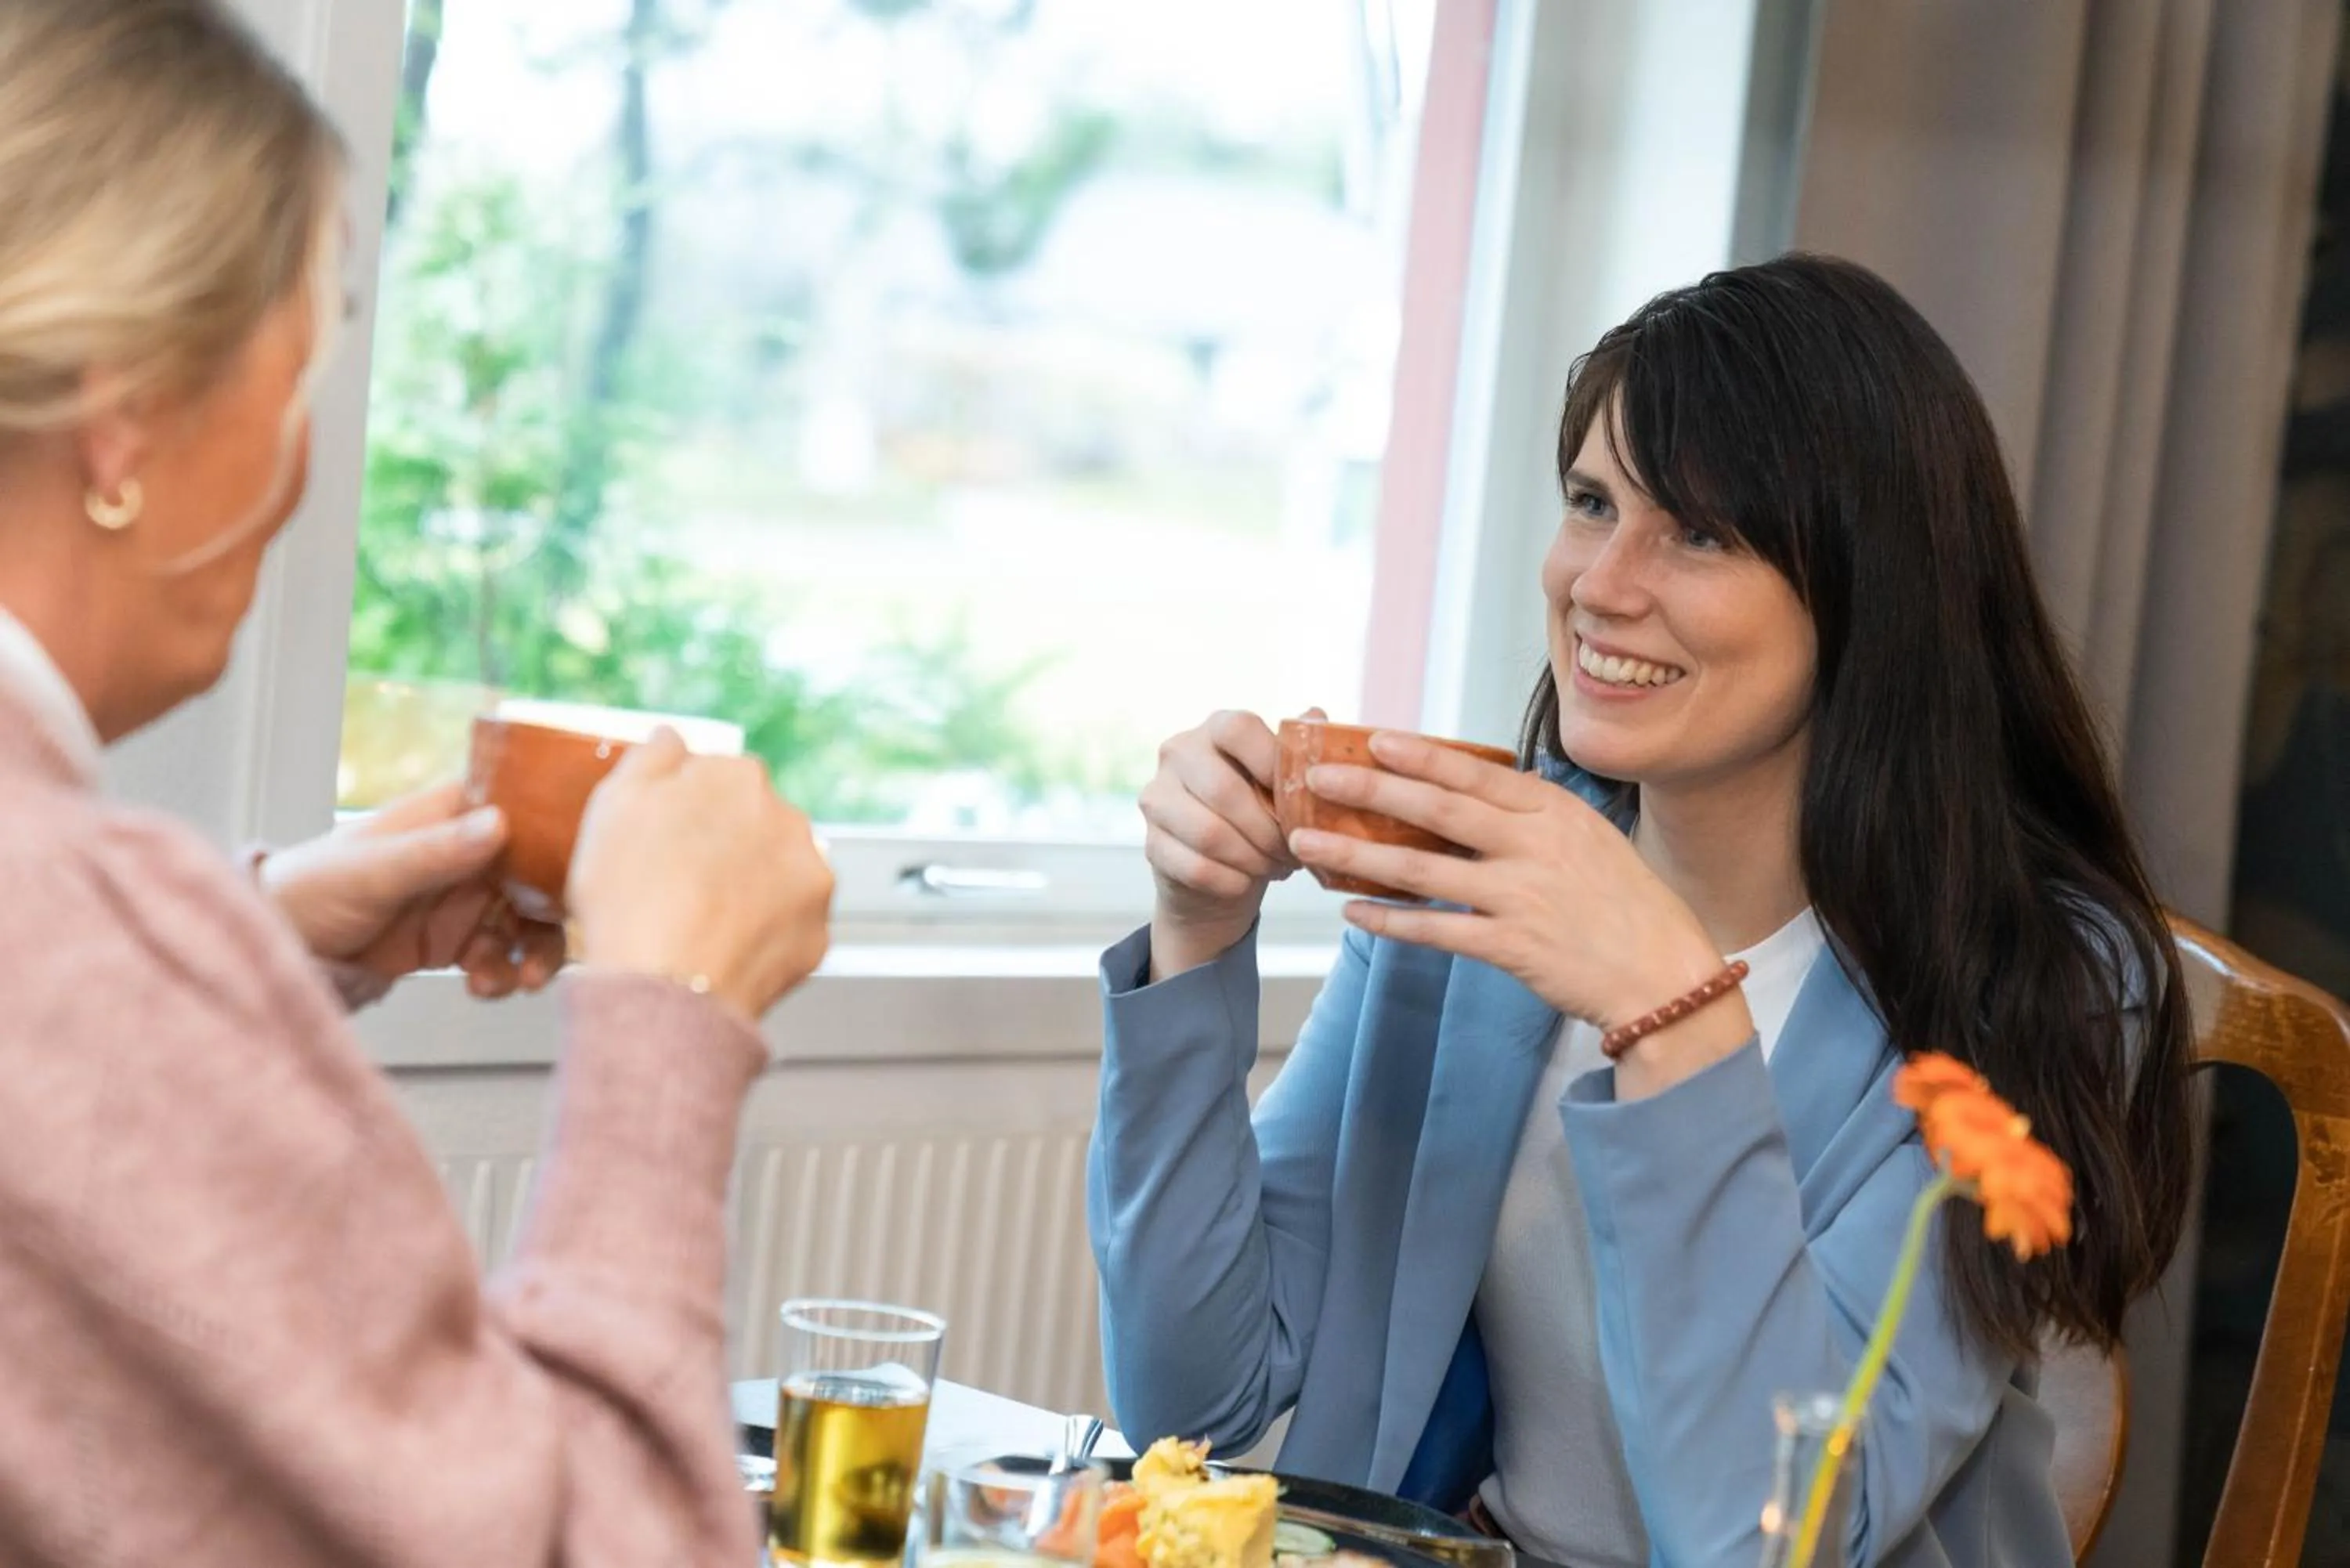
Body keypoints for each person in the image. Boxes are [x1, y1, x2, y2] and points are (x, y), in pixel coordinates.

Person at [1086, 253, 2193, 1567]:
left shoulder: (2046, 978)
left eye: (1703, 532)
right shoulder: (1482, 877)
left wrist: (1672, 1013)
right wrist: (1196, 934)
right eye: (1591, 501)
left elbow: (1769, 1541)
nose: (1601, 584)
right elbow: (1191, 1394)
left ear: (1870, 588)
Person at [0, 4, 831, 1562]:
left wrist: (254, 950)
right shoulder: (78, 933)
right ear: (125, 420)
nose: (300, 466)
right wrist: (673, 1005)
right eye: (294, 373)